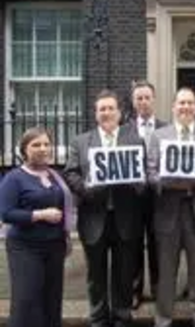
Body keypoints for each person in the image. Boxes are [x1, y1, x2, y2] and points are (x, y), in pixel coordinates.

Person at [64, 89, 145, 327]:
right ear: (96, 113)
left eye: (111, 108)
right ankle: (98, 318)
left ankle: (122, 316)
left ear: (120, 113)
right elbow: (70, 173)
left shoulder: (134, 141)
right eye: (102, 109)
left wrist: (137, 183)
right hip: (94, 217)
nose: (107, 113)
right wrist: (86, 188)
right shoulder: (80, 141)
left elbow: (142, 181)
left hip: (125, 217)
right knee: (95, 274)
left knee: (124, 273)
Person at [148, 88, 195, 327]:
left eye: (190, 103)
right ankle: (163, 320)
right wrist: (168, 181)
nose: (186, 107)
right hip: (168, 211)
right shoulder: (159, 136)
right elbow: (150, 173)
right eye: (181, 103)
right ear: (173, 107)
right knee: (166, 272)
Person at [0, 127, 74, 327]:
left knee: (51, 301)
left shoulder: (54, 176)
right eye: (36, 145)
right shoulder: (13, 178)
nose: (43, 149)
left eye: (46, 144)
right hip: (25, 248)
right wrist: (39, 215)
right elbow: (6, 213)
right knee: (27, 302)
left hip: (54, 247)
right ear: (24, 150)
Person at [122, 80, 166, 308]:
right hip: (133, 198)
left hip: (160, 197)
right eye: (138, 98)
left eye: (147, 97)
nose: (143, 102)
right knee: (134, 243)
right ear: (133, 101)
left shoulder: (166, 128)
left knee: (158, 244)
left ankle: (159, 290)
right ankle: (134, 290)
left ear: (154, 99)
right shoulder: (124, 130)